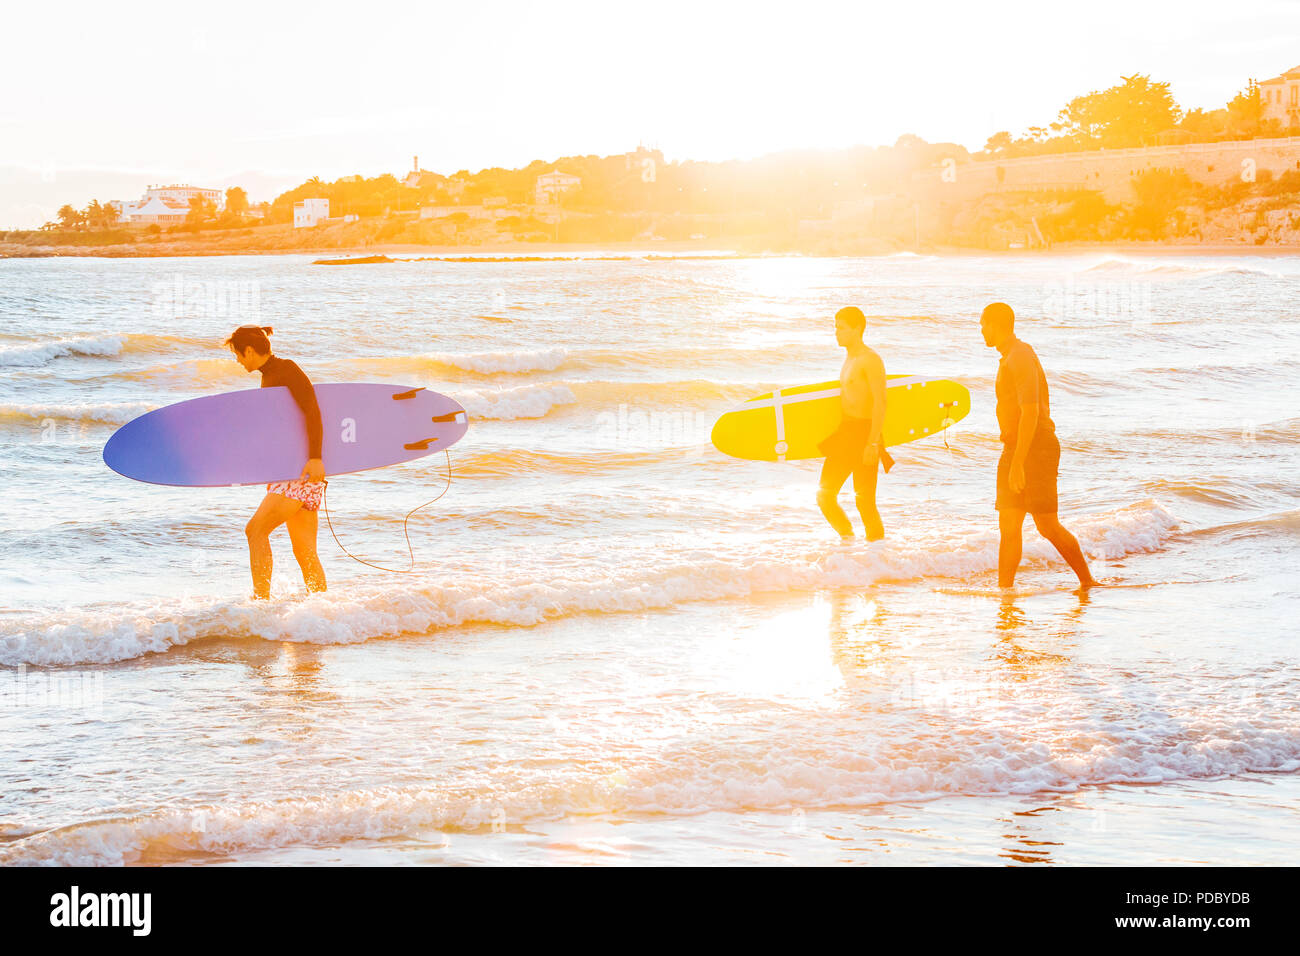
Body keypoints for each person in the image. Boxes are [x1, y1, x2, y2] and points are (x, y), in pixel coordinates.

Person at [980, 302, 1095, 590]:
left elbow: (1030, 411)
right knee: (1008, 525)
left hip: (1036, 447)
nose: (982, 330)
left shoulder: (1020, 356)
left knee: (1046, 525)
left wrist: (1018, 462)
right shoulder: (1010, 356)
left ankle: (1088, 581)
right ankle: (1005, 592)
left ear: (997, 324)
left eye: (983, 324)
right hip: (1015, 446)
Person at [225, 325, 327, 599]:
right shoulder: (270, 375)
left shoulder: (286, 370)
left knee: (255, 531)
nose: (237, 360)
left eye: (238, 354)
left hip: (298, 472)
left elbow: (312, 411)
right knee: (305, 552)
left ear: (249, 350)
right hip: (294, 471)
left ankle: (261, 601)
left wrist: (316, 458)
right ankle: (322, 611)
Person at [817, 306, 890, 541]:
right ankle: (847, 540)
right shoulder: (850, 357)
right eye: (835, 327)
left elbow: (881, 402)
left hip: (864, 433)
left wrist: (872, 444)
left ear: (857, 328)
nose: (836, 332)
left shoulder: (870, 359)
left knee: (864, 501)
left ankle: (877, 553)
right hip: (846, 433)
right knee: (825, 496)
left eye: (841, 328)